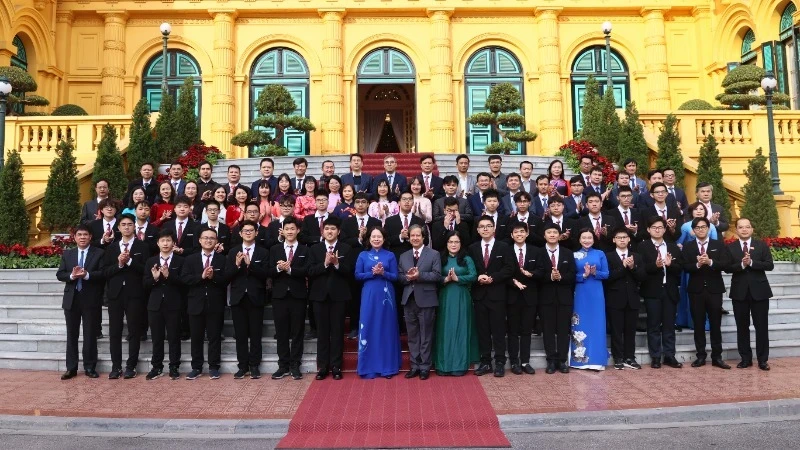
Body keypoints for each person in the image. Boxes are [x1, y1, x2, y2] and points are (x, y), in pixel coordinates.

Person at [102, 214, 149, 379]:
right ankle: (116, 367)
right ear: (119, 227)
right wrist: (119, 264)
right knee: (115, 331)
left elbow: (146, 270)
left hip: (135, 294)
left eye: (130, 224)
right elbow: (105, 272)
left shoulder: (143, 247)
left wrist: (129, 262)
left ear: (134, 227)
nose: (127, 227)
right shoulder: (111, 248)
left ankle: (131, 365)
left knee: (134, 331)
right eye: (124, 224)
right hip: (115, 294)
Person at [468, 215, 515, 377]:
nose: (485, 229)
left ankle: (500, 362)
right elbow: (470, 269)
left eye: (488, 226)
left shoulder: (504, 247)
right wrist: (478, 278)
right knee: (483, 330)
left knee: (499, 330)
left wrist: (493, 278)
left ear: (494, 228)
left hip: (498, 294)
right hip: (480, 295)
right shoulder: (472, 248)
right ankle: (485, 361)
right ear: (478, 230)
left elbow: (510, 268)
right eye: (482, 226)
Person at [682, 217, 732, 370]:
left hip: (714, 289)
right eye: (697, 227)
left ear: (709, 228)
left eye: (704, 227)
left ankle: (717, 357)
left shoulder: (718, 244)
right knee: (698, 324)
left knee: (715, 324)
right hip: (696, 290)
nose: (701, 230)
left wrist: (710, 262)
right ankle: (700, 356)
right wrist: (697, 264)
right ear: (694, 230)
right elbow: (684, 266)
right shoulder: (689, 246)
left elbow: (725, 264)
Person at [56, 225, 105, 380]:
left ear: (90, 237)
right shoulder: (68, 254)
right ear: (75, 237)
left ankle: (90, 367)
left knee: (90, 334)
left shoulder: (99, 253)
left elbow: (103, 274)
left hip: (90, 299)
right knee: (72, 335)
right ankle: (71, 368)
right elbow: (60, 274)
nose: (82, 237)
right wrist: (71, 276)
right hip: (72, 299)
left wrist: (86, 275)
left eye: (85, 234)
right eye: (79, 235)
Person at [307, 216, 353, 381]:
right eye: (327, 229)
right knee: (322, 333)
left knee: (337, 331)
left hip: (339, 296)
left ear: (338, 231)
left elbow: (350, 272)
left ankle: (336, 366)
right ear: (322, 231)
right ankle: (323, 366)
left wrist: (337, 264)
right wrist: (326, 264)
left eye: (333, 229)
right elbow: (310, 271)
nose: (330, 231)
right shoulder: (314, 249)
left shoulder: (346, 248)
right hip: (319, 296)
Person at [726, 217, 773, 371]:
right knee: (742, 327)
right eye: (740, 227)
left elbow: (769, 265)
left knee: (761, 327)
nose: (744, 230)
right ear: (736, 229)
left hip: (760, 292)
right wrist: (741, 265)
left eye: (747, 227)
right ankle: (745, 358)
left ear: (752, 229)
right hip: (739, 293)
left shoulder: (761, 245)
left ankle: (762, 360)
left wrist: (752, 263)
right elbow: (727, 267)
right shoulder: (731, 247)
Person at [180, 228, 228, 380]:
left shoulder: (222, 259)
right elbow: (185, 279)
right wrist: (201, 277)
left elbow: (226, 280)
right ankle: (197, 367)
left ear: (216, 241)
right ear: (200, 240)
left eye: (212, 238)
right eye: (205, 238)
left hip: (215, 303)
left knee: (214, 337)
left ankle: (214, 367)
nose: (208, 240)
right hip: (195, 303)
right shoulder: (190, 259)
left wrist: (214, 277)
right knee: (196, 337)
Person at [355, 226, 401, 379]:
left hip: (386, 295)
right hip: (369, 294)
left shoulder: (390, 255)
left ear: (384, 238)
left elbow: (395, 276)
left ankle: (388, 367)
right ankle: (369, 367)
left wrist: (383, 273)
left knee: (386, 328)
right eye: (373, 236)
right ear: (368, 238)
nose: (376, 239)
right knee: (369, 326)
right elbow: (357, 275)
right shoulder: (363, 255)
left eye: (379, 236)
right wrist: (372, 273)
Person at [226, 220, 269, 380]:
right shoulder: (233, 252)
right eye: (245, 230)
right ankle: (242, 366)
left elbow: (266, 275)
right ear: (240, 233)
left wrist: (250, 265)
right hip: (238, 298)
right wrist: (237, 265)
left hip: (256, 297)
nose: (248, 233)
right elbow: (226, 276)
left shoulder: (263, 252)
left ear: (257, 233)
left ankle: (254, 365)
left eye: (251, 230)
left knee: (256, 333)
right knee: (241, 334)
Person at [639, 216, 684, 369]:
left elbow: (680, 269)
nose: (657, 230)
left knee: (669, 325)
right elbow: (641, 270)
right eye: (654, 227)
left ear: (665, 229)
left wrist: (670, 265)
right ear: (648, 230)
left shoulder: (672, 247)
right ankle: (656, 356)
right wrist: (655, 265)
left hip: (670, 290)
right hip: (652, 291)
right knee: (653, 325)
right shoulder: (642, 247)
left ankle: (670, 355)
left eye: (660, 227)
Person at [398, 225, 441, 380]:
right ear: (409, 238)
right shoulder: (404, 256)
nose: (415, 238)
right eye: (412, 235)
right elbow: (400, 277)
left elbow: (437, 275)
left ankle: (425, 366)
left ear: (423, 237)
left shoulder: (434, 254)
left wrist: (419, 275)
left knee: (426, 335)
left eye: (418, 235)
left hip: (427, 300)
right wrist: (408, 278)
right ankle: (414, 365)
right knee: (412, 335)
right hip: (409, 299)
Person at [268, 217, 309, 380]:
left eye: (293, 229)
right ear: (282, 231)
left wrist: (291, 269)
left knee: (297, 331)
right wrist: (279, 268)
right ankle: (283, 365)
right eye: (287, 229)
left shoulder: (305, 250)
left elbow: (307, 270)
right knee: (281, 332)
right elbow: (268, 271)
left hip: (298, 295)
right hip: (279, 296)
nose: (290, 231)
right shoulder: (274, 249)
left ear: (298, 230)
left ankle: (295, 365)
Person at [434, 231, 479, 376]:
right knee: (445, 329)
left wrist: (458, 279)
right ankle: (443, 365)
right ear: (446, 244)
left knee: (461, 328)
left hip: (461, 297)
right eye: (450, 242)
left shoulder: (466, 259)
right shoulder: (440, 258)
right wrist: (445, 279)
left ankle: (459, 365)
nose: (453, 245)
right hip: (445, 297)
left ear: (461, 244)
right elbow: (435, 276)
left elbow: (473, 276)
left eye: (456, 242)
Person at [143, 229, 185, 380]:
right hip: (154, 305)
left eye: (168, 240)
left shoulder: (181, 261)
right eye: (163, 241)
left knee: (174, 337)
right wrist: (154, 279)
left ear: (174, 243)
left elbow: (184, 283)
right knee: (156, 337)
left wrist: (169, 276)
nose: (166, 243)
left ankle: (174, 366)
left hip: (174, 304)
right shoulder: (150, 261)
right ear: (158, 243)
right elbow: (145, 284)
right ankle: (157, 367)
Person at [340, 193, 381, 339]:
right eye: (357, 202)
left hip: (373, 265)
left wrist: (366, 239)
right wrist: (359, 239)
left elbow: (379, 241)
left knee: (372, 298)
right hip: (353, 265)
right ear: (354, 205)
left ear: (368, 204)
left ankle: (372, 326)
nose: (361, 205)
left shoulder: (376, 222)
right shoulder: (346, 222)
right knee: (354, 297)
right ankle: (354, 327)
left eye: (364, 202)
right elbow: (344, 241)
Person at [605, 228, 646, 370]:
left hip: (632, 298)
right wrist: (623, 267)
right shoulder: (608, 256)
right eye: (619, 237)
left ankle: (630, 357)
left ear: (629, 239)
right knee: (616, 330)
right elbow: (607, 277)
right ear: (614, 240)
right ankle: (618, 357)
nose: (622, 239)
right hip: (615, 298)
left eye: (625, 237)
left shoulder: (637, 256)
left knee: (630, 330)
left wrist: (633, 267)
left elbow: (642, 277)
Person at [538, 223, 576, 374]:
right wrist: (549, 276)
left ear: (560, 235)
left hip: (564, 297)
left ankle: (562, 360)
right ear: (544, 235)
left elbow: (573, 274)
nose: (552, 234)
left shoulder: (568, 253)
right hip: (545, 297)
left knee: (563, 330)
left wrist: (561, 277)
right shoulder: (538, 253)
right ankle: (551, 361)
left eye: (555, 232)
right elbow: (537, 274)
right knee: (547, 330)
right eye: (549, 232)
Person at [570, 228, 610, 370]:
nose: (587, 240)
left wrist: (595, 272)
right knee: (581, 323)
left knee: (597, 324)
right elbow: (570, 275)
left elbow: (606, 274)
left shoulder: (600, 254)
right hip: (581, 292)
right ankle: (579, 360)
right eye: (584, 238)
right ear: (579, 239)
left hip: (597, 293)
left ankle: (597, 360)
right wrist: (584, 275)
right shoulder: (573, 255)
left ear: (594, 239)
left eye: (589, 237)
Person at [676, 202, 717, 329]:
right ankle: (689, 321)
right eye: (696, 209)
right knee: (691, 296)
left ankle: (708, 324)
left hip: (709, 264)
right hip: (692, 265)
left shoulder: (712, 227)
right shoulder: (685, 226)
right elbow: (679, 243)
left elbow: (715, 244)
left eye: (701, 209)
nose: (699, 211)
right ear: (691, 212)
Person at [506, 223, 540, 375]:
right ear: (511, 235)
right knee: (513, 331)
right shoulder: (505, 250)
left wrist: (531, 274)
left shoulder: (536, 251)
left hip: (530, 296)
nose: (519, 234)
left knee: (526, 331)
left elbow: (542, 271)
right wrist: (513, 281)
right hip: (512, 295)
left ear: (527, 233)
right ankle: (514, 362)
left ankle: (525, 361)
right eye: (516, 231)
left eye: (522, 231)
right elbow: (502, 272)